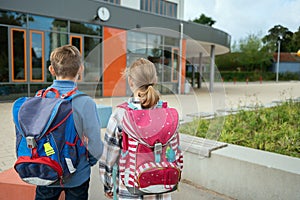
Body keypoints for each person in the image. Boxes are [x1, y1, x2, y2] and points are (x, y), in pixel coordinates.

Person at [35, 45, 103, 200]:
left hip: (46, 169)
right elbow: (95, 146)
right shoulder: (85, 102)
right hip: (77, 174)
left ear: (51, 70)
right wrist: (87, 162)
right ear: (81, 69)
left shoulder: (39, 97)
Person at [99, 58, 172, 200]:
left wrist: (108, 185)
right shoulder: (167, 112)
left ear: (130, 81)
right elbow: (172, 152)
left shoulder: (120, 115)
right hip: (160, 190)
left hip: (130, 190)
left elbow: (108, 158)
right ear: (155, 79)